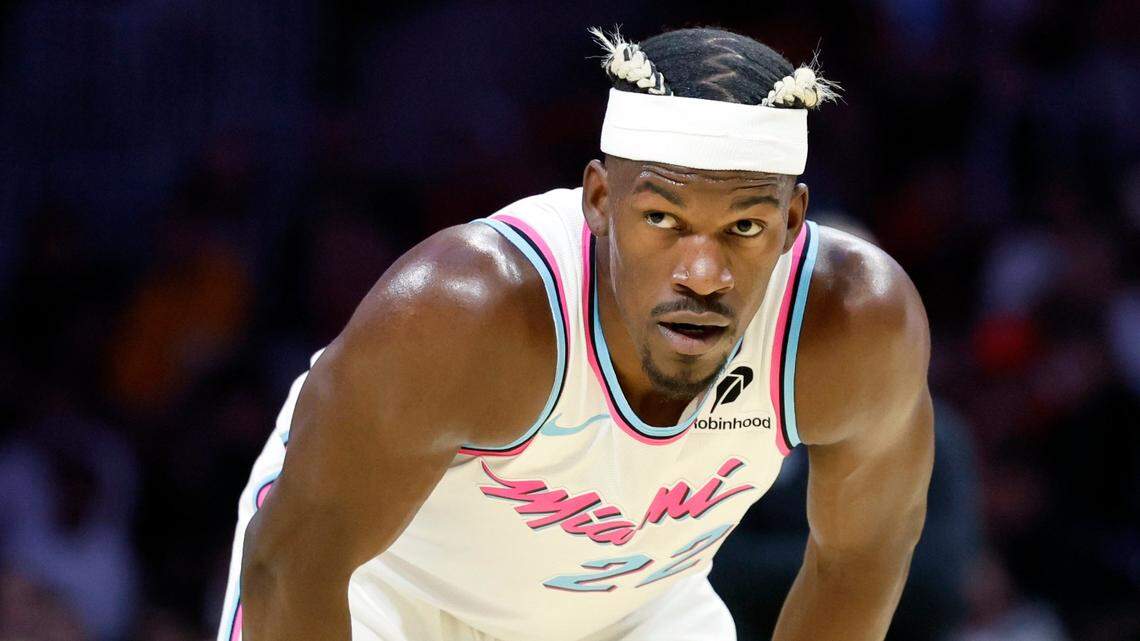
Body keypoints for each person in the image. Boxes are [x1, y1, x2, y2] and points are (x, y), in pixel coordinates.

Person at [218, 26, 934, 641]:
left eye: (744, 227)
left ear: (792, 222)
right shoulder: (462, 312)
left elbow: (859, 562)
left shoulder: (855, 325)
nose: (702, 274)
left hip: (635, 615)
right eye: (663, 219)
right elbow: (293, 565)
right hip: (391, 597)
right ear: (599, 200)